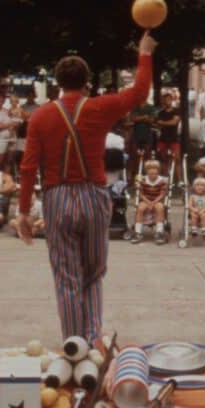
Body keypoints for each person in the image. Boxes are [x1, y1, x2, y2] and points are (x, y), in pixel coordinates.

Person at [16, 31, 154, 341]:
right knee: (93, 275)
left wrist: (23, 211)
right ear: (86, 81)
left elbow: (28, 168)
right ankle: (92, 343)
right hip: (93, 195)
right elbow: (140, 92)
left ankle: (72, 346)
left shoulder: (40, 116)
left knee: (67, 279)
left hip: (57, 197)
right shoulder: (99, 108)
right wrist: (144, 53)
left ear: (57, 82)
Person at [132, 160, 168, 244]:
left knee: (160, 208)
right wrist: (148, 202)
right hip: (146, 199)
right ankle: (138, 232)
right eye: (151, 173)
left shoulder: (162, 181)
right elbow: (140, 194)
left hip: (157, 199)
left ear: (158, 171)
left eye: (155, 173)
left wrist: (153, 202)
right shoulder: (143, 180)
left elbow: (162, 194)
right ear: (147, 172)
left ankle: (159, 232)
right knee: (140, 208)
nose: (153, 175)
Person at [155, 93, 181, 174]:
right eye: (165, 100)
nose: (167, 101)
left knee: (177, 159)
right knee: (163, 159)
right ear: (163, 101)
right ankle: (165, 178)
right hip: (163, 138)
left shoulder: (176, 110)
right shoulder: (160, 113)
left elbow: (174, 122)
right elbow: (158, 124)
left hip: (174, 138)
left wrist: (162, 122)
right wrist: (164, 123)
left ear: (172, 100)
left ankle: (180, 181)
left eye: (169, 99)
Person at [128, 100, 157, 171]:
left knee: (147, 155)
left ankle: (146, 173)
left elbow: (152, 120)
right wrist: (144, 117)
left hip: (147, 134)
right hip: (136, 134)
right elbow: (132, 118)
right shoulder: (135, 107)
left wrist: (138, 118)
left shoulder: (151, 107)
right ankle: (134, 174)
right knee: (134, 155)